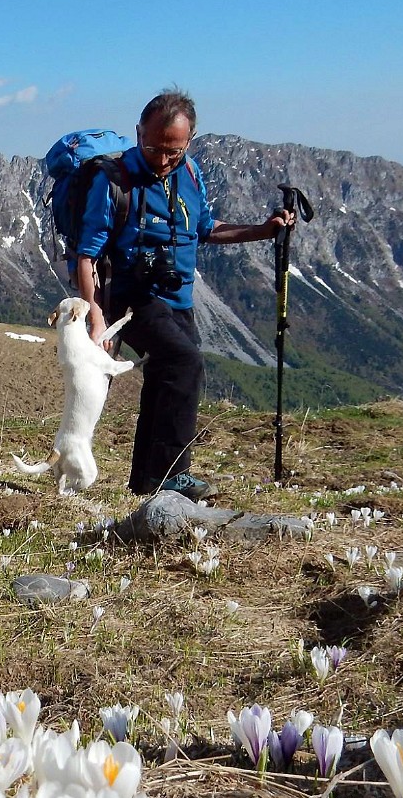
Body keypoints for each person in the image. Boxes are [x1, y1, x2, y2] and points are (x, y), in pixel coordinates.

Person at [74, 89, 293, 500]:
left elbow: (207, 228)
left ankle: (146, 482)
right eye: (154, 148)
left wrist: (263, 231)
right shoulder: (114, 180)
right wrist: (96, 319)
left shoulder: (190, 172)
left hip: (178, 298)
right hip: (131, 295)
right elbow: (86, 255)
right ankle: (173, 474)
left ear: (189, 141)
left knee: (165, 376)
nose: (162, 159)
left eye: (173, 151)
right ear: (139, 132)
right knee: (183, 361)